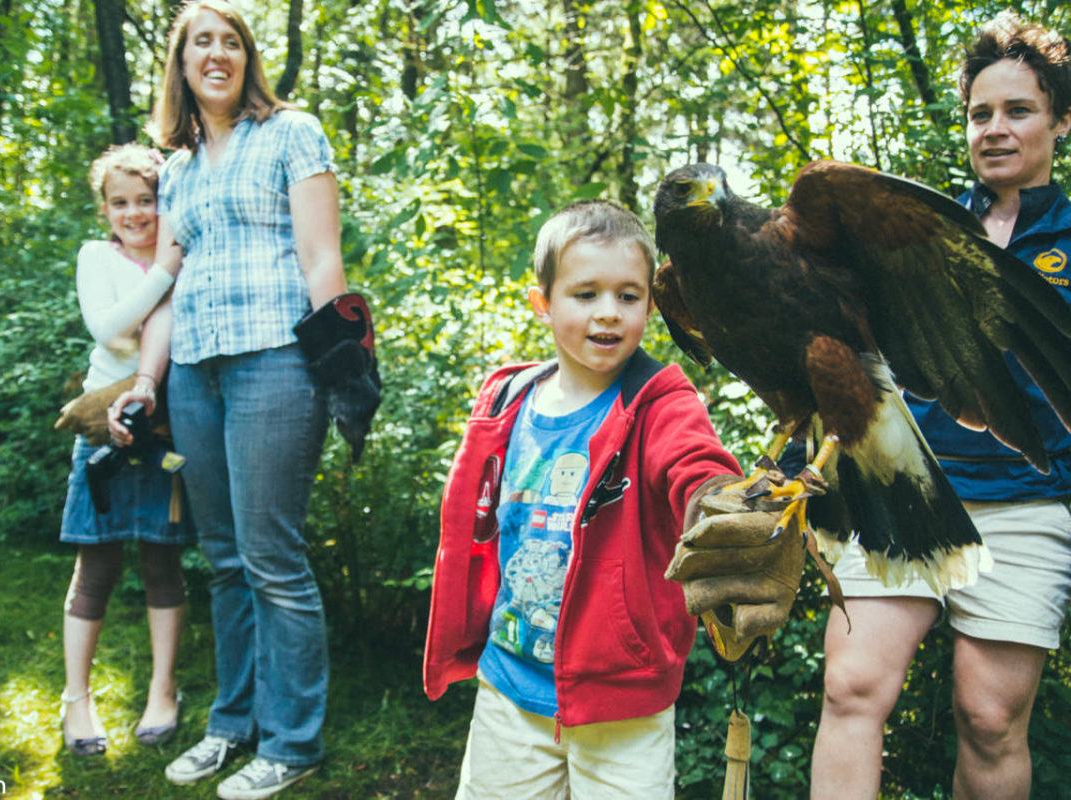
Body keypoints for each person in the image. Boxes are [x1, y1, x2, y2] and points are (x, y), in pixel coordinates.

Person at [110, 2, 373, 797]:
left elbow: (321, 255)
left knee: (271, 560)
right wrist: (147, 381)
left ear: (246, 59)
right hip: (194, 371)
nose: (216, 54)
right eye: (201, 43)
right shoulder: (178, 168)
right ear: (181, 64)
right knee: (223, 562)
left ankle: (292, 743)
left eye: (230, 41)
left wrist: (343, 366)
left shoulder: (293, 133)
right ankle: (233, 723)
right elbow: (168, 288)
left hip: (275, 363)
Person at [810, 13, 1071, 799]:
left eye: (1018, 110)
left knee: (990, 719)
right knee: (852, 687)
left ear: (1062, 120)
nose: (994, 129)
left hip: (1028, 503)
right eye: (979, 113)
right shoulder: (907, 229)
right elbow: (840, 359)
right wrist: (801, 472)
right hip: (907, 488)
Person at [423, 200, 744, 798]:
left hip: (625, 698)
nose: (609, 313)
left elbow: (696, 465)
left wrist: (718, 502)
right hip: (510, 684)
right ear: (543, 303)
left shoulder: (659, 402)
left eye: (628, 296)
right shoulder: (509, 400)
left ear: (652, 303)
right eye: (586, 293)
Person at [57, 143, 191, 757]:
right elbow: (108, 328)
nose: (134, 213)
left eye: (146, 200)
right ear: (104, 209)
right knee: (97, 566)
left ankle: (163, 691)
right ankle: (76, 700)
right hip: (101, 436)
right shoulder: (99, 258)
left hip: (166, 440)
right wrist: (165, 270)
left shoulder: (191, 254)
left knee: (163, 561)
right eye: (120, 203)